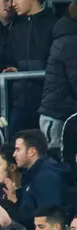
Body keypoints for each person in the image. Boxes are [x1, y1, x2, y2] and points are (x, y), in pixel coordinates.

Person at [1, 0, 56, 135]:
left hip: (47, 101)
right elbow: (8, 58)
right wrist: (10, 68)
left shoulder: (53, 23)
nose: (13, 3)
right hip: (21, 100)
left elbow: (56, 61)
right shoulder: (13, 27)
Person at [38, 2, 77, 153]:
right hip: (57, 117)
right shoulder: (71, 41)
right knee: (56, 166)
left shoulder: (67, 36)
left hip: (61, 115)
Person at [13, 130, 70, 225]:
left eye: (18, 149)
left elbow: (49, 217)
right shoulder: (32, 174)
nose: (14, 154)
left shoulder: (46, 176)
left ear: (32, 151)